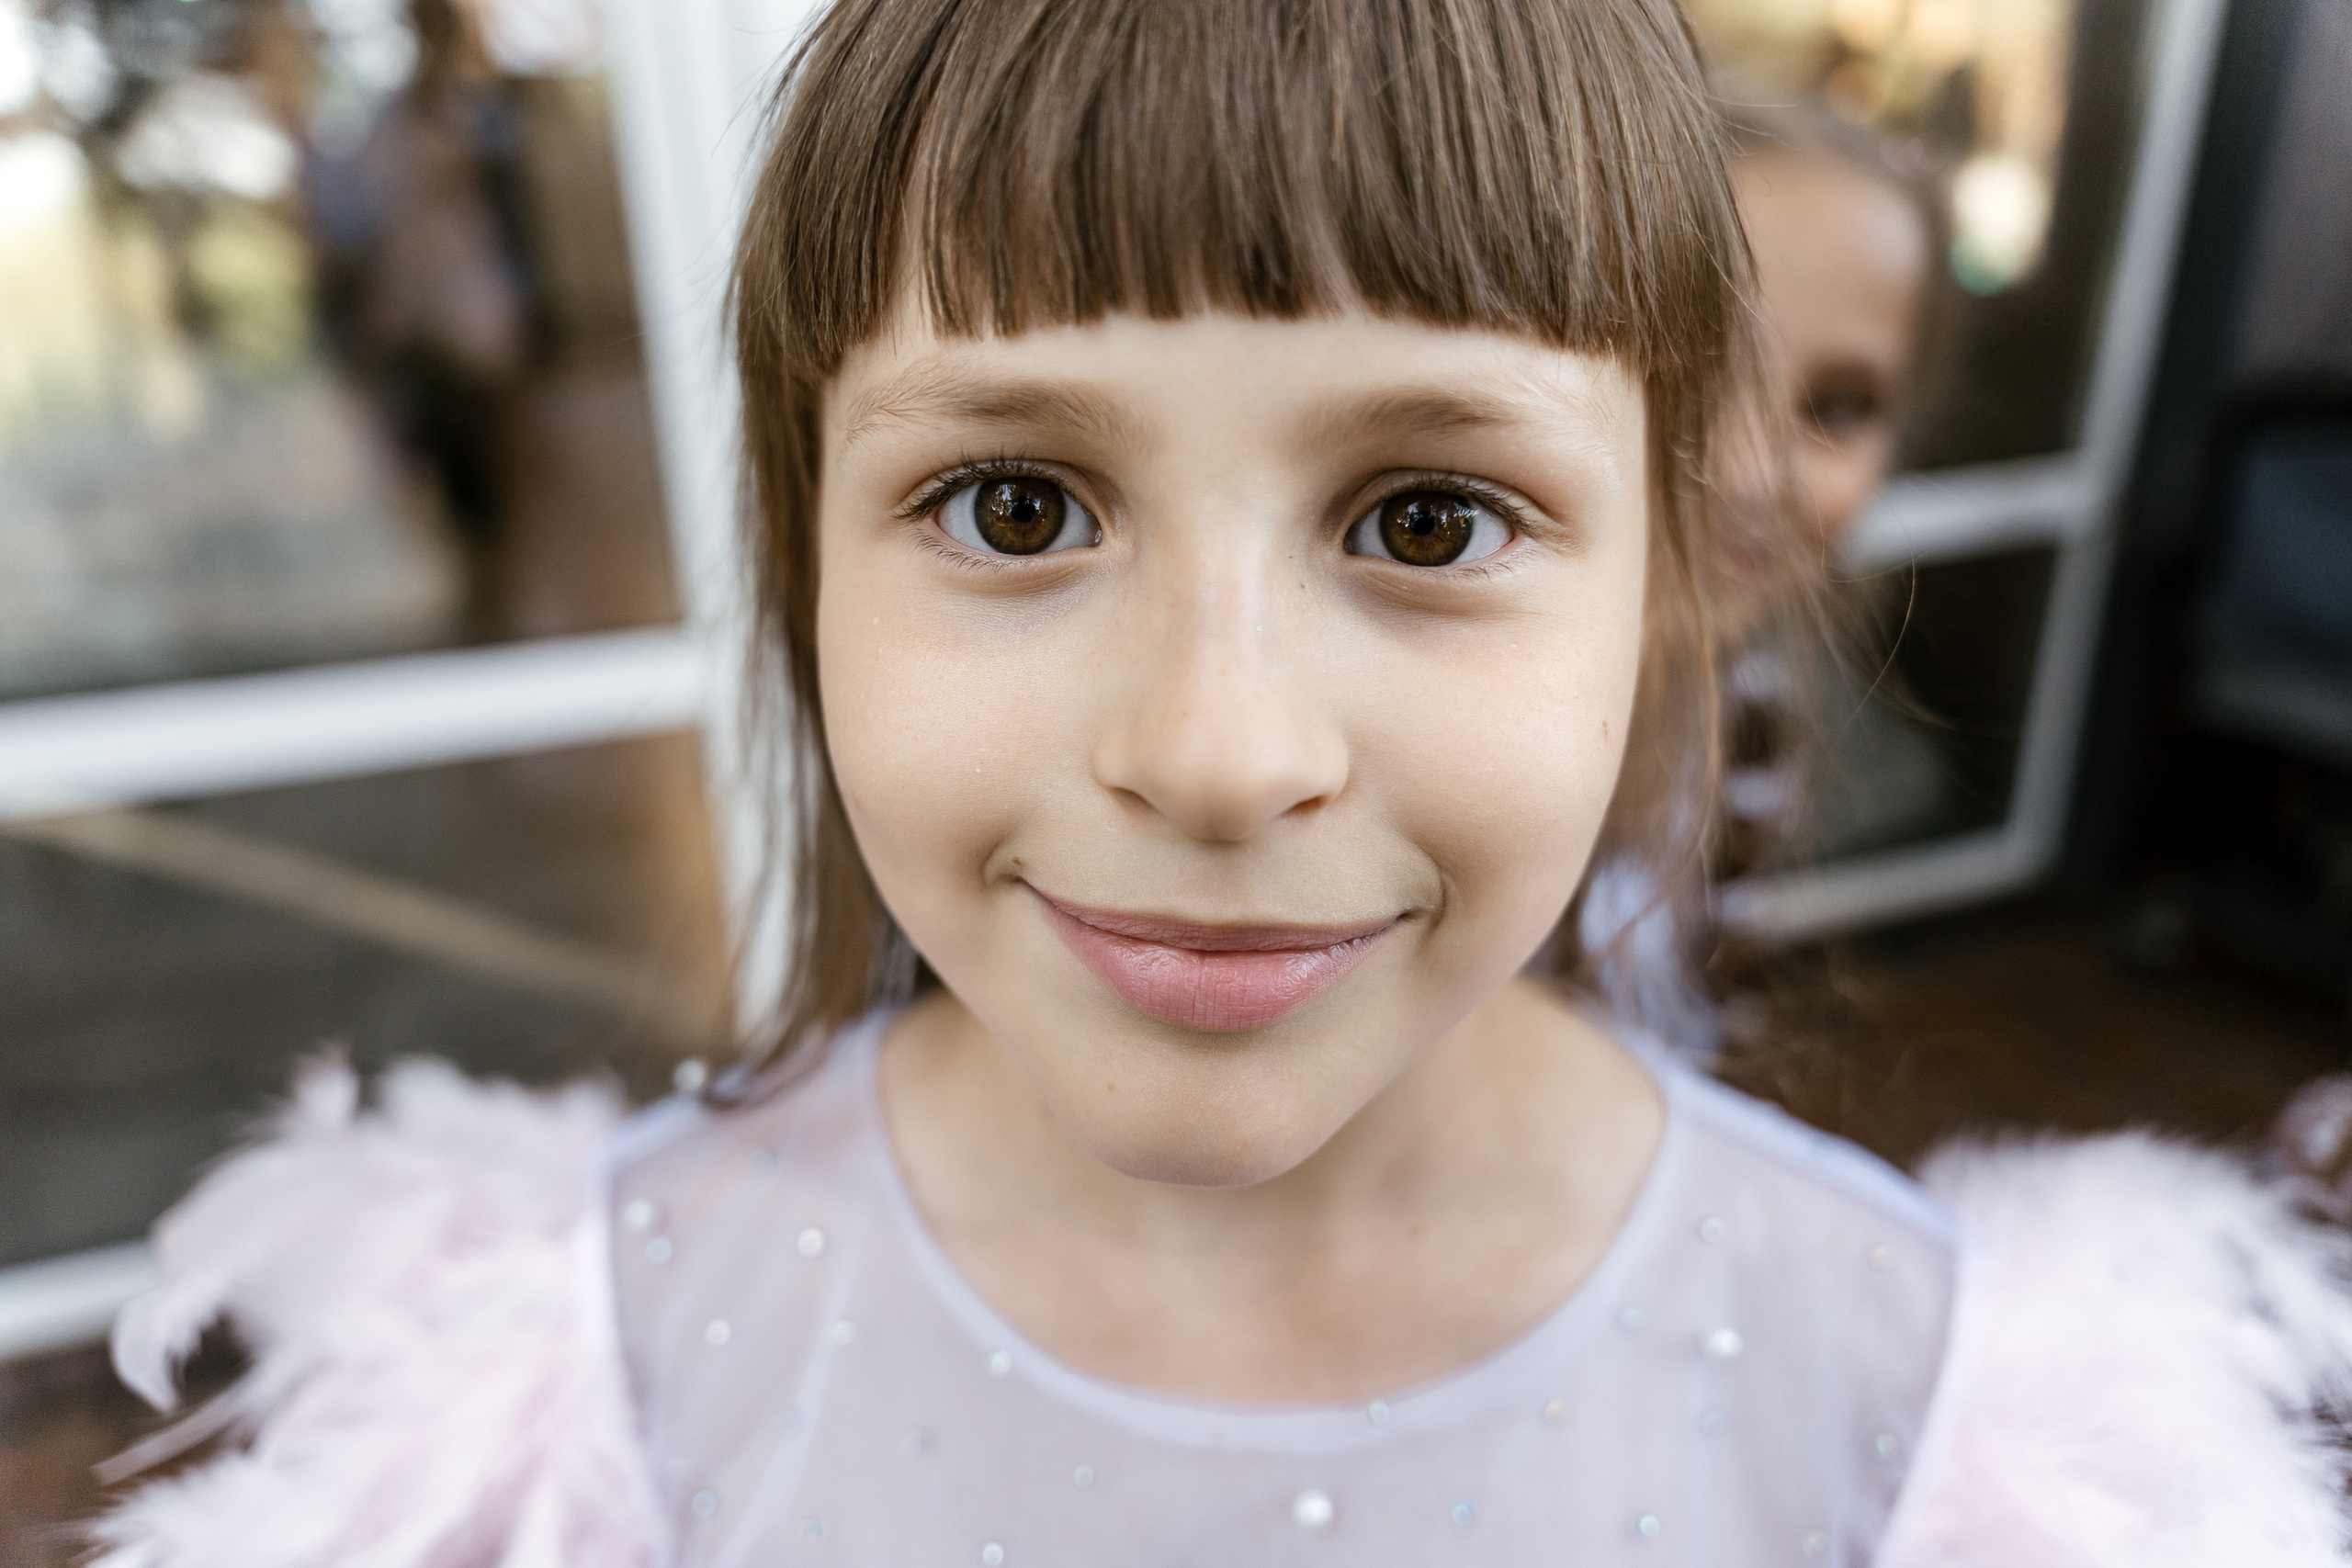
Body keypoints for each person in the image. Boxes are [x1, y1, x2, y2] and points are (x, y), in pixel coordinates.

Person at [86, 3, 2352, 1564]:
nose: (1214, 746)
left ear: (1669, 566)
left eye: (1426, 519)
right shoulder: (581, 1358)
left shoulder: (1933, 1415)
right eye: (1010, 507)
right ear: (799, 562)